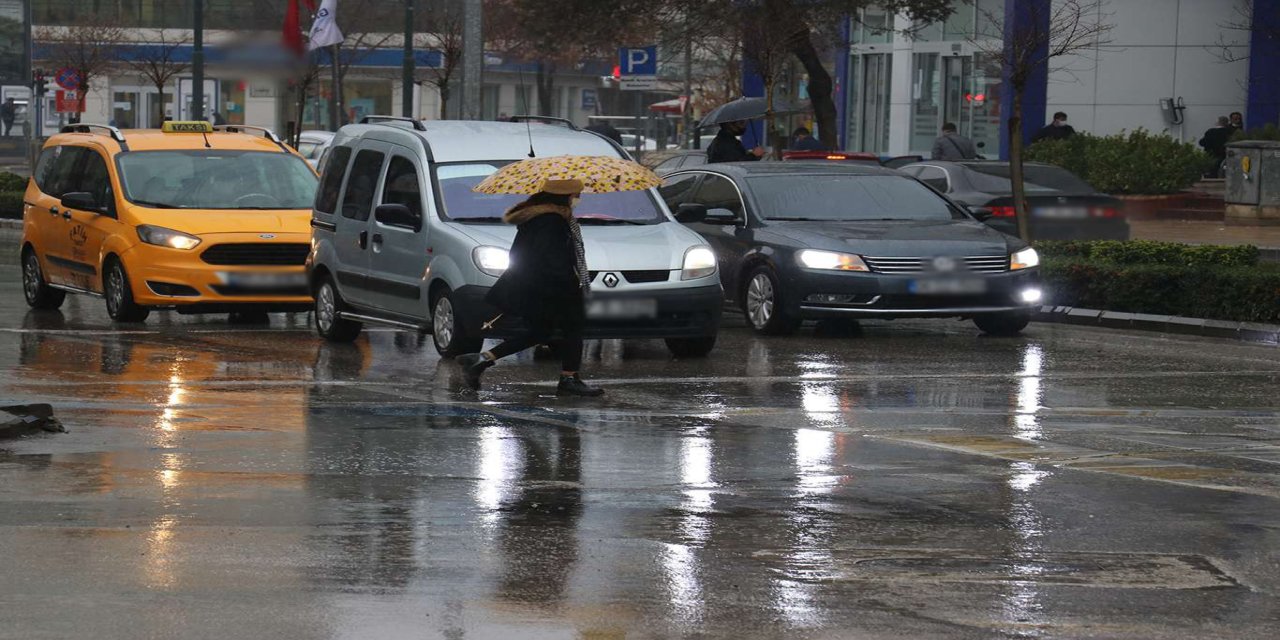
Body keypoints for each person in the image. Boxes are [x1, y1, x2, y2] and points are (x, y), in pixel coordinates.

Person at [455, 179, 604, 397]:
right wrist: (570, 284)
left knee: (540, 332)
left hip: (536, 287)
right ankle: (569, 379)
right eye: (576, 194)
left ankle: (481, 360)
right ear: (566, 196)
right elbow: (552, 258)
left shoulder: (540, 217)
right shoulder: (551, 221)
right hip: (551, 288)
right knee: (573, 329)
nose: (577, 199)